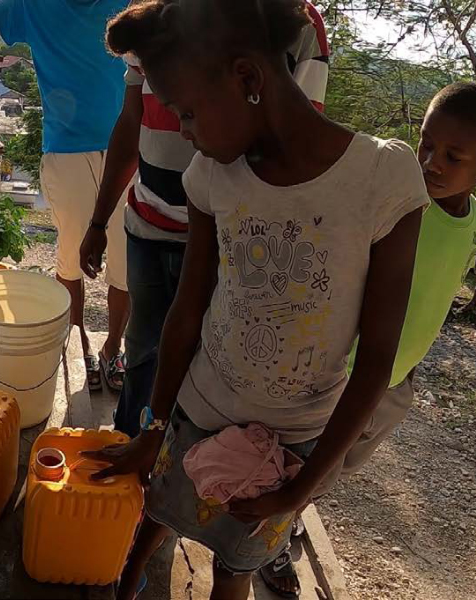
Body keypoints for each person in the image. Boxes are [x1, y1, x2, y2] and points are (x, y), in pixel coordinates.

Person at [82, 1, 429, 599]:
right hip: (199, 408)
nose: (184, 132)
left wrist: (303, 487)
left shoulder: (383, 181)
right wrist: (157, 426)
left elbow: (376, 358)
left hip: (290, 443)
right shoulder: (213, 177)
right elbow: (185, 313)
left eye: (187, 112)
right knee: (158, 515)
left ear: (246, 79)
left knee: (235, 564)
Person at [262, 81, 476, 597]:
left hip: (395, 381)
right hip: (344, 372)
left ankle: (285, 518)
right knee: (303, 462)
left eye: (452, 155)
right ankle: (265, 542)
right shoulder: (394, 200)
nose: (431, 161)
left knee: (336, 467)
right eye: (426, 143)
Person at [81, 0, 330, 436]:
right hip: (147, 225)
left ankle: (175, 462)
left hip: (228, 240)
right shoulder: (152, 23)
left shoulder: (290, 21)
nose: (182, 129)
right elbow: (131, 122)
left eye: (188, 114)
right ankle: (131, 446)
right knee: (144, 352)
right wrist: (99, 220)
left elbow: (297, 134)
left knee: (207, 362)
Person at [0, 0, 131, 390]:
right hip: (67, 152)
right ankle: (79, 347)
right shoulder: (31, 6)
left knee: (124, 262)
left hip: (130, 148)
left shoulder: (130, 4)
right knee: (71, 256)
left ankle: (113, 349)